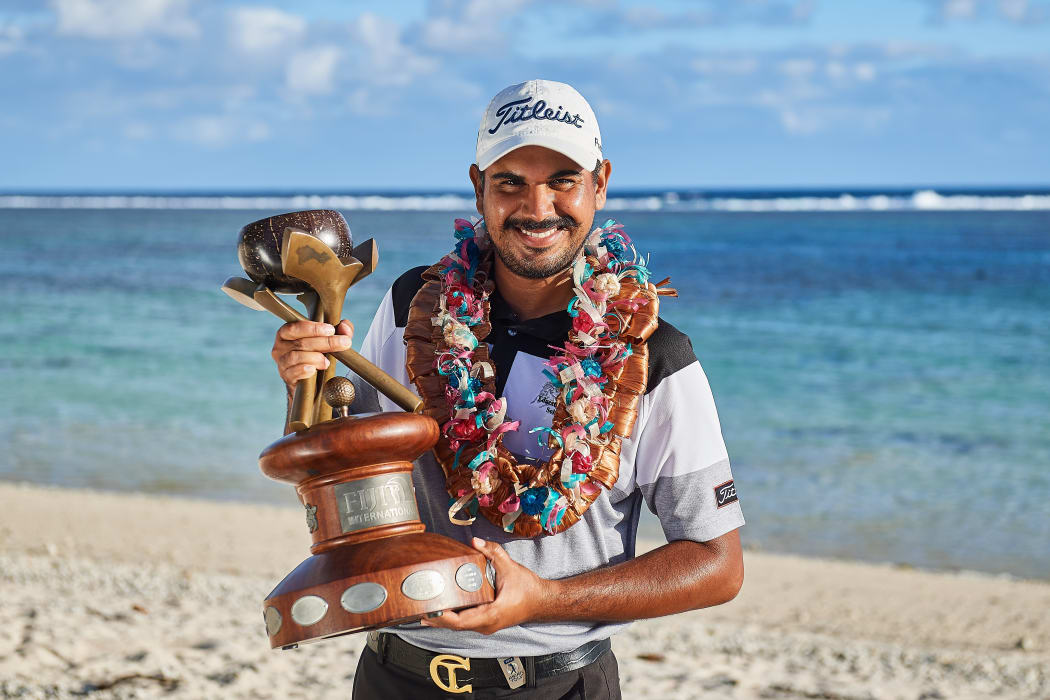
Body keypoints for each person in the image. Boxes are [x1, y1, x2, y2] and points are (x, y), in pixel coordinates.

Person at [271, 79, 744, 699]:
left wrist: (543, 599)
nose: (537, 206)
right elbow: (340, 466)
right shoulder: (416, 305)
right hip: (397, 673)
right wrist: (306, 382)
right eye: (511, 181)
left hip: (559, 682)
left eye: (563, 180)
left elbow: (716, 563)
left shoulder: (652, 353)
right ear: (479, 187)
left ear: (600, 183)